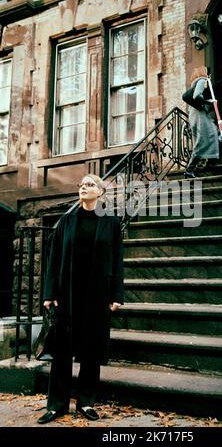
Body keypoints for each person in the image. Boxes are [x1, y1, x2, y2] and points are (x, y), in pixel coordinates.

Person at [37, 174, 124, 424]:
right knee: (63, 351)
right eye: (82, 185)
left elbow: (118, 260)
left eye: (90, 185)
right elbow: (53, 259)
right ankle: (57, 405)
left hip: (97, 294)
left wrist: (116, 294)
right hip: (68, 293)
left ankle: (85, 403)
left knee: (91, 351)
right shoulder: (66, 221)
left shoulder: (111, 222)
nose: (84, 188)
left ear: (100, 192)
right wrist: (49, 293)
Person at [183, 66, 219, 179]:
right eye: (209, 73)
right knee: (205, 138)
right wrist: (210, 102)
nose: (210, 76)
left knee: (212, 134)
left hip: (196, 113)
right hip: (199, 114)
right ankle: (190, 169)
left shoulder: (196, 82)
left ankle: (210, 161)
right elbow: (196, 95)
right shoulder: (202, 80)